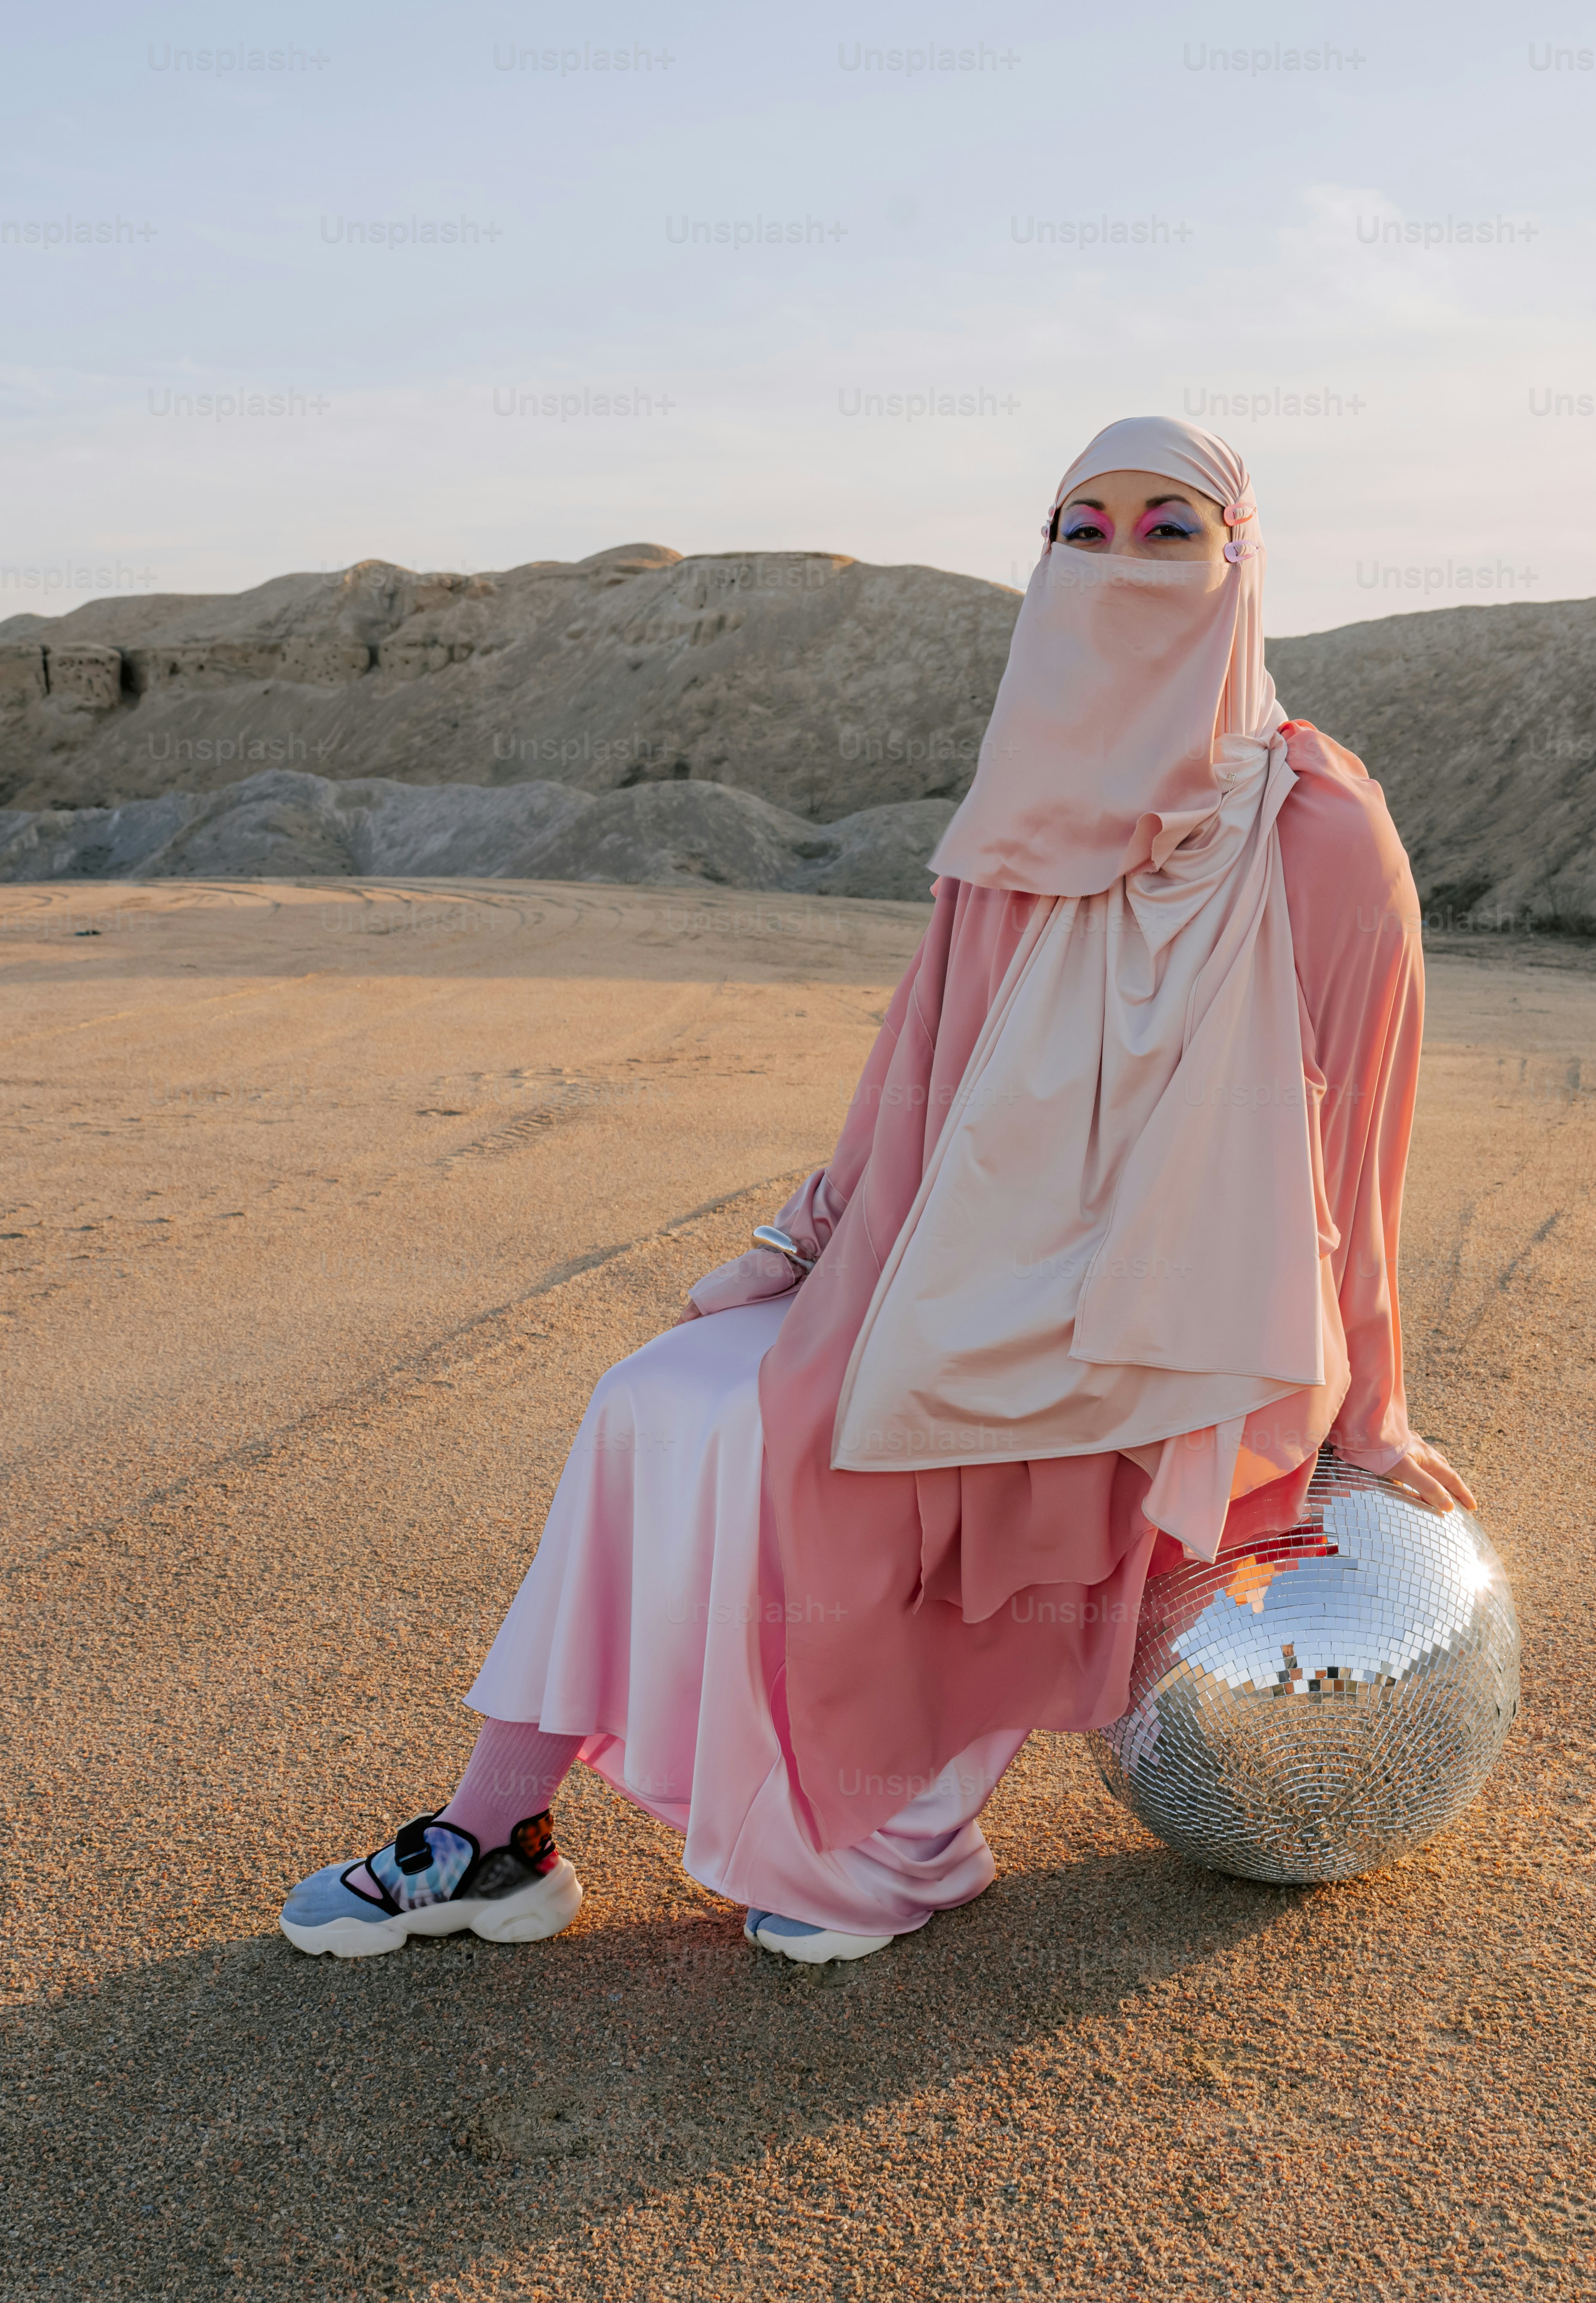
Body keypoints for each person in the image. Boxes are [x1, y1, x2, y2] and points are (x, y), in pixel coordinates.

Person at [279, 417, 1474, 1965]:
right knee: (651, 1394)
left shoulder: (1322, 830)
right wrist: (805, 1242)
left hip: (1159, 1337)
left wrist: (1373, 1416)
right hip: (953, 1272)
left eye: (1168, 529)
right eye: (1083, 530)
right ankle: (497, 1832)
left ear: (1239, 560)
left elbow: (1363, 1143)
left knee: (837, 1466)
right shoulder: (1016, 810)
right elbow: (919, 1073)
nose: (1121, 562)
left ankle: (885, 1826)